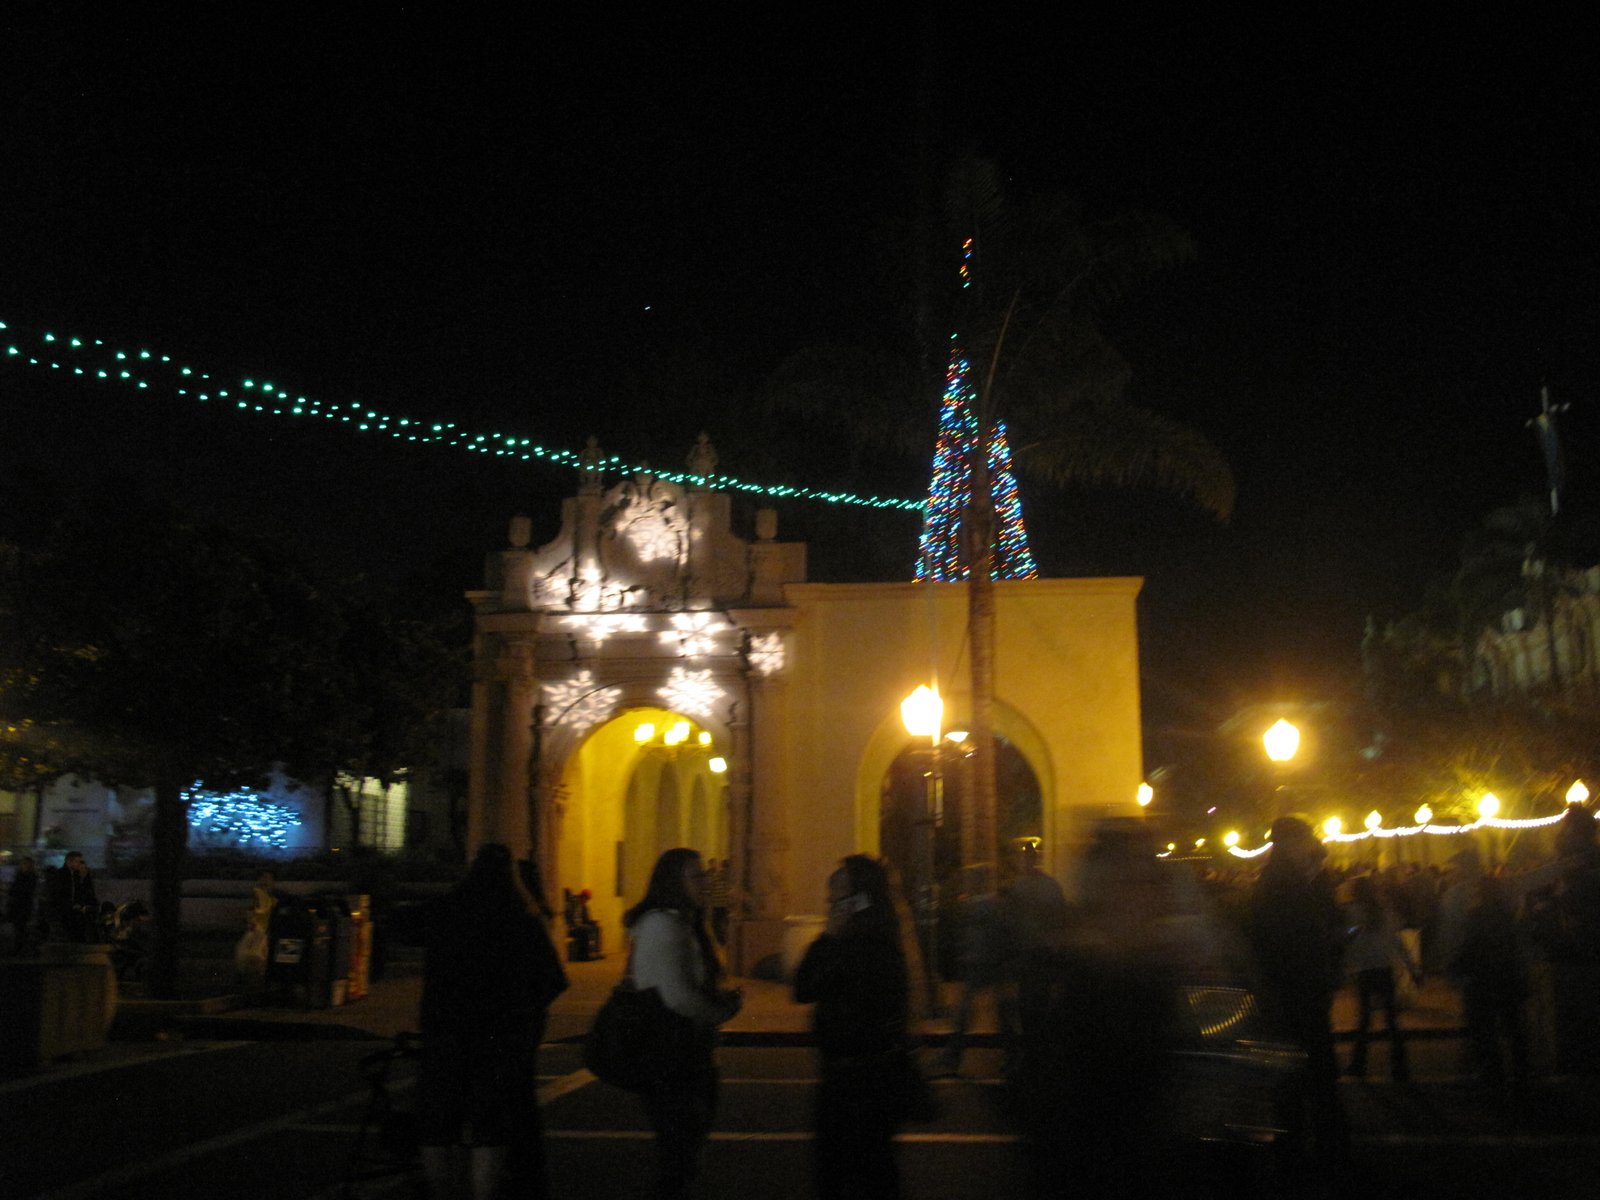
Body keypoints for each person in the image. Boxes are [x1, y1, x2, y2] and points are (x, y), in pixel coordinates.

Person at [416, 843, 568, 1200]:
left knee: (439, 1120)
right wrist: (524, 1011)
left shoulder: (445, 911)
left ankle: (443, 1192)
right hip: (500, 1034)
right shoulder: (521, 920)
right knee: (490, 1124)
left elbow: (411, 937)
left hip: (446, 1029)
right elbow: (551, 980)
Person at [793, 855, 913, 1200]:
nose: (832, 903)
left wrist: (829, 937)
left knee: (846, 1174)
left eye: (839, 895)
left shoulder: (860, 946)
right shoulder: (882, 937)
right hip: (865, 1076)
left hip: (855, 1081)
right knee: (874, 1173)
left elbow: (805, 986)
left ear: (859, 898)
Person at [625, 848, 742, 1199]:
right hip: (671, 1055)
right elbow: (677, 997)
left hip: (685, 1052)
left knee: (682, 1156)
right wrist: (720, 1011)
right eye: (696, 876)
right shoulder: (664, 924)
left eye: (703, 874)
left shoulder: (684, 921)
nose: (705, 882)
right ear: (673, 882)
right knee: (678, 1159)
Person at [1246, 816, 1348, 1170]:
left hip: (1290, 994)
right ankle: (1316, 1151)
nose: (1311, 846)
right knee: (1310, 1076)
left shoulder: (1278, 882)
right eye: (1307, 840)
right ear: (1291, 843)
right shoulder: (1283, 886)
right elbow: (1296, 941)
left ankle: (1299, 1147)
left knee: (1294, 1079)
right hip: (1298, 994)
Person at [1343, 873, 1420, 1081]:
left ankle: (1358, 1064)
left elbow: (1349, 940)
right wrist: (1413, 970)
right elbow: (1398, 944)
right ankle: (1399, 1066)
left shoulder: (1353, 913)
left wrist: (1347, 965)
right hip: (1384, 970)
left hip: (1365, 971)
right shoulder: (1385, 913)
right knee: (1391, 1020)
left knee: (1364, 1020)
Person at [43, 851, 99, 943]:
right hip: (63, 913)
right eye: (77, 861)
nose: (79, 864)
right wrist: (71, 905)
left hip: (74, 911)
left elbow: (83, 893)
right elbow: (58, 896)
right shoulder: (60, 875)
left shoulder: (75, 875)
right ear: (69, 862)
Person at [6, 856, 38, 954]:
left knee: (20, 928)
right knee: (20, 928)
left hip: (21, 906)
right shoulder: (30, 876)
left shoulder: (24, 876)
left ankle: (19, 948)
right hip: (21, 906)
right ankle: (21, 947)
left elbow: (15, 890)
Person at [705, 858, 732, 946]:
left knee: (715, 923)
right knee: (726, 922)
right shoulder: (730, 877)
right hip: (726, 904)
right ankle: (727, 939)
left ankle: (722, 940)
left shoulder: (716, 875)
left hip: (717, 904)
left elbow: (709, 887)